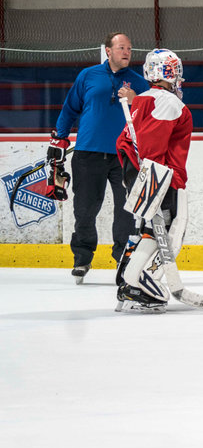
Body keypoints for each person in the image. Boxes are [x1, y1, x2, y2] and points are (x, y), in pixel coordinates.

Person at [49, 32, 150, 283]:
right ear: (108, 50)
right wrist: (60, 138)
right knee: (85, 209)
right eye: (121, 47)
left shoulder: (139, 83)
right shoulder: (88, 75)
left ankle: (124, 259)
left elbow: (152, 115)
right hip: (88, 153)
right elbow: (70, 109)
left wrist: (136, 100)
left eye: (129, 48)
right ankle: (82, 258)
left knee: (126, 210)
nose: (126, 52)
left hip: (125, 155)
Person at [112, 49, 191, 313]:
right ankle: (136, 283)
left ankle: (127, 280)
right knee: (163, 229)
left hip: (139, 171)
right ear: (171, 72)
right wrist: (152, 183)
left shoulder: (143, 99)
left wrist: (137, 176)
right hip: (158, 174)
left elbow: (125, 143)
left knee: (147, 228)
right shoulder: (169, 103)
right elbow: (151, 147)